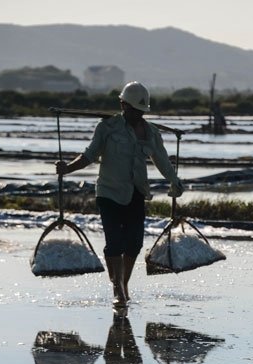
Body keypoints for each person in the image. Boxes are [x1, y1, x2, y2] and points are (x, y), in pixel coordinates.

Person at [56, 81, 185, 307]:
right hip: (109, 192)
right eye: (133, 110)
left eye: (141, 111)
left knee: (134, 243)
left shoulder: (151, 132)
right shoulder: (107, 127)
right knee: (115, 242)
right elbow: (90, 155)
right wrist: (67, 168)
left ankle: (124, 283)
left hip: (136, 191)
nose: (137, 115)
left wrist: (174, 181)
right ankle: (117, 288)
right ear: (122, 104)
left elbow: (162, 161)